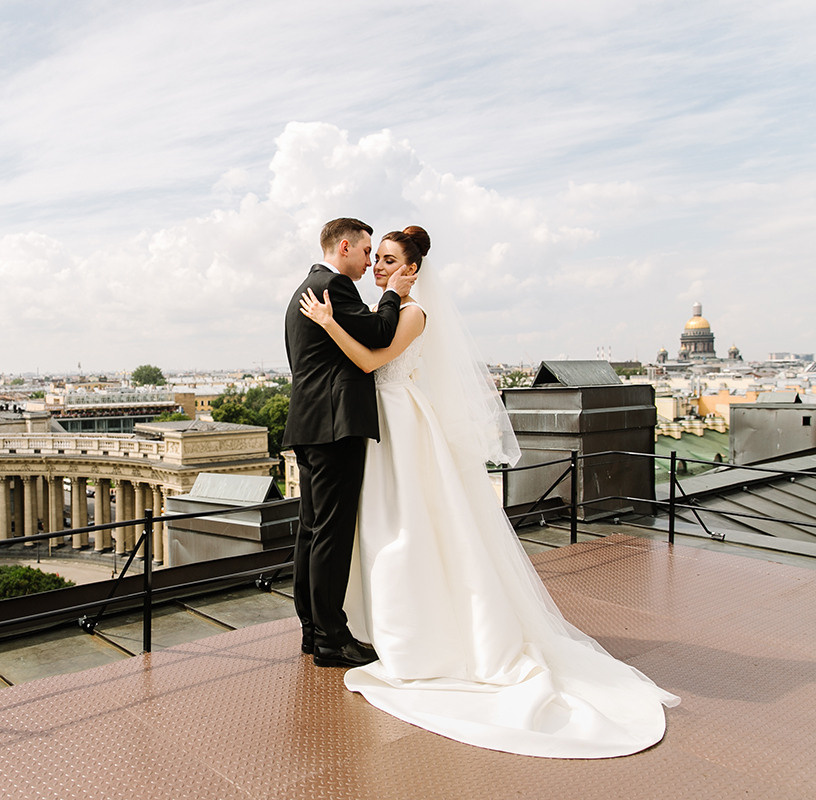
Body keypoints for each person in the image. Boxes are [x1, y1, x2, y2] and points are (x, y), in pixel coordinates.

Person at [298, 225, 679, 758]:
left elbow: (370, 360)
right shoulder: (380, 306)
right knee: (378, 526)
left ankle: (402, 631)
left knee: (408, 525)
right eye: (375, 257)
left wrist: (329, 322)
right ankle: (358, 626)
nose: (378, 267)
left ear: (412, 269)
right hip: (377, 426)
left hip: (400, 424)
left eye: (387, 259)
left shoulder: (412, 312)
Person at [282, 217, 417, 668]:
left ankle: (311, 630)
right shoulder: (334, 287)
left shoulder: (304, 289)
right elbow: (379, 334)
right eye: (365, 252)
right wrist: (393, 292)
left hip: (308, 425)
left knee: (311, 531)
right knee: (332, 536)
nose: (368, 262)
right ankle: (332, 638)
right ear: (345, 246)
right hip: (335, 426)